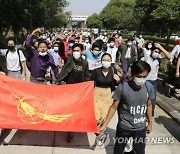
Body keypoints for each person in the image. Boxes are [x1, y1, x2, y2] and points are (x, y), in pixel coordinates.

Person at [100, 61, 154, 154]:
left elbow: (149, 106)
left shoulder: (149, 87)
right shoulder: (122, 88)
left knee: (140, 151)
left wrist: (150, 123)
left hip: (140, 128)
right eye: (139, 76)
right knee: (118, 151)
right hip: (124, 128)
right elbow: (113, 107)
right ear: (132, 75)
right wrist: (105, 125)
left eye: (144, 77)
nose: (141, 79)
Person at [141, 43, 171, 115]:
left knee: (152, 99)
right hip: (144, 81)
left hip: (153, 82)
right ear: (151, 51)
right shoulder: (146, 57)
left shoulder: (159, 59)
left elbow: (169, 57)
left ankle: (150, 114)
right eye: (155, 51)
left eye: (158, 52)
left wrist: (161, 47)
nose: (156, 53)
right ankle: (141, 112)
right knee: (142, 97)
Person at [92, 53, 120, 128]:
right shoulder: (96, 71)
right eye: (104, 60)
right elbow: (92, 83)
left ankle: (101, 128)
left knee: (105, 112)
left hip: (108, 93)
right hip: (97, 93)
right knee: (97, 112)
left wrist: (118, 80)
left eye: (108, 60)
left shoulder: (113, 70)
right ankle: (96, 125)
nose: (106, 62)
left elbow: (116, 83)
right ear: (101, 61)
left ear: (111, 61)